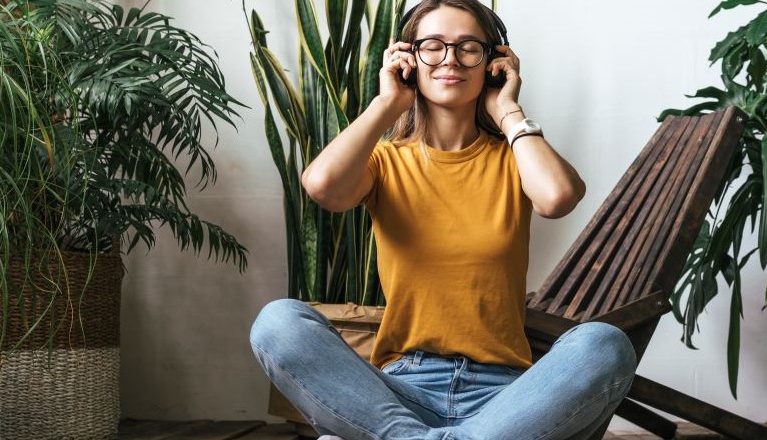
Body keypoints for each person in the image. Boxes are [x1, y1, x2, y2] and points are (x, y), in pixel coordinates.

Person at [250, 1, 637, 438]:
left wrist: (508, 110)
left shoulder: (516, 158)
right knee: (277, 322)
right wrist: (387, 103)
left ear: (494, 62)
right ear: (408, 59)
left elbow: (557, 197)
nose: (450, 59)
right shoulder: (384, 163)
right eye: (433, 46)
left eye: (469, 48)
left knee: (603, 344)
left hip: (508, 399)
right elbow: (322, 186)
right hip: (400, 392)